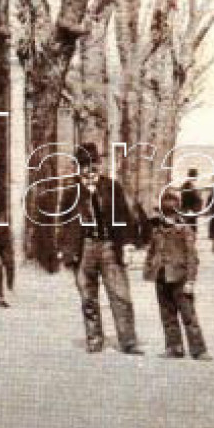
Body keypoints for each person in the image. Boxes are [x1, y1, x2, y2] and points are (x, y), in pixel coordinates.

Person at [56, 143, 141, 355]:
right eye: (85, 165)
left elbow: (124, 217)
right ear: (78, 167)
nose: (90, 169)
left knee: (120, 295)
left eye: (93, 163)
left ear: (99, 164)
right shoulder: (70, 193)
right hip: (83, 248)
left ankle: (128, 341)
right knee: (88, 297)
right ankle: (94, 339)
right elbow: (64, 224)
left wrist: (127, 245)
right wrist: (65, 251)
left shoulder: (112, 188)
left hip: (109, 246)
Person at [144, 190, 207, 360]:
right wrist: (149, 269)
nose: (167, 219)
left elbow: (192, 257)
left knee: (188, 315)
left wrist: (191, 281)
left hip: (180, 278)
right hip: (161, 277)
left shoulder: (185, 231)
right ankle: (174, 347)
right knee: (167, 314)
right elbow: (151, 251)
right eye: (165, 215)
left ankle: (199, 349)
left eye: (171, 215)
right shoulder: (157, 231)